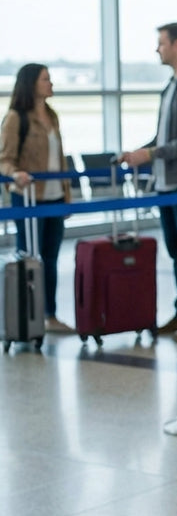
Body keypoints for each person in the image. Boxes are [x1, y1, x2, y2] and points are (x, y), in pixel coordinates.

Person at [119, 22, 177, 342]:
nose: (157, 49)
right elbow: (165, 137)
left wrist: (152, 154)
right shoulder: (171, 86)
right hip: (167, 185)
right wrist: (141, 153)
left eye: (161, 43)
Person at [0, 64, 72, 334]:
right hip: (29, 199)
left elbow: (61, 159)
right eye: (45, 79)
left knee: (51, 258)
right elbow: (4, 159)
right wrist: (16, 174)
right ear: (31, 84)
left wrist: (66, 195)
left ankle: (49, 314)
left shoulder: (52, 116)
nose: (50, 83)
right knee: (31, 257)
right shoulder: (16, 118)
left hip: (54, 197)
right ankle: (27, 317)